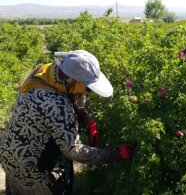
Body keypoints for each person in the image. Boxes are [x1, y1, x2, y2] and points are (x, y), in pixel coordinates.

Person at [0, 50, 133, 195]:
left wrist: (86, 116)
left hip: (8, 151)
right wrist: (113, 154)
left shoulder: (44, 72)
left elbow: (67, 94)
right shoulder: (58, 106)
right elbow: (74, 151)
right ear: (73, 81)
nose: (85, 93)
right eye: (87, 88)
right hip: (30, 166)